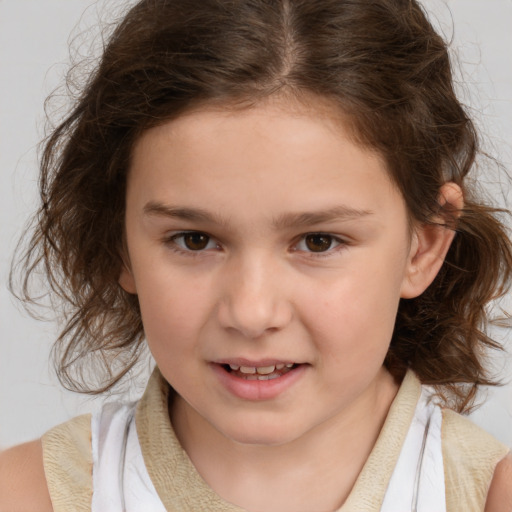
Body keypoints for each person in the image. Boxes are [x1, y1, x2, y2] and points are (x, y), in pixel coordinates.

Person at [1, 0, 511, 510]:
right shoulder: (26, 495)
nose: (251, 312)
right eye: (194, 239)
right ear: (119, 241)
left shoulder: (491, 497)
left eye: (318, 241)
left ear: (423, 245)